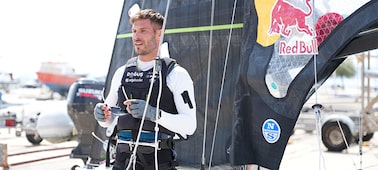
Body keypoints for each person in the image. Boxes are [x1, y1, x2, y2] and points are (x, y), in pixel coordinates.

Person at [94, 9, 197, 170]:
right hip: (123, 161)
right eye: (134, 31)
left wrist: (154, 114)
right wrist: (102, 115)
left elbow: (190, 126)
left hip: (158, 162)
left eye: (143, 31)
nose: (136, 36)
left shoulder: (176, 74)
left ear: (159, 34)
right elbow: (107, 121)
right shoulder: (122, 72)